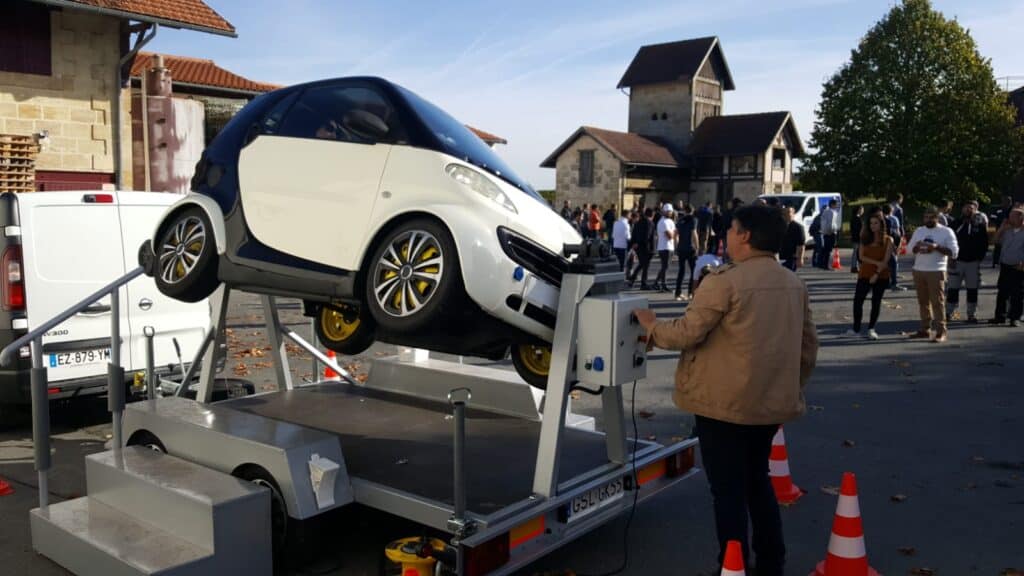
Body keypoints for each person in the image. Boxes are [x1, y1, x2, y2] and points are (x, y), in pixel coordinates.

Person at [633, 204, 818, 575]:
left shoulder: (724, 281)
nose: (727, 236)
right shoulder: (792, 283)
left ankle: (732, 566)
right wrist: (788, 387)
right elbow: (808, 347)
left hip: (723, 406)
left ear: (745, 235)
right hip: (769, 405)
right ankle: (771, 562)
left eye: (731, 229)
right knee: (757, 481)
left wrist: (651, 326)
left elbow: (687, 333)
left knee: (728, 491)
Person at [908, 206, 959, 342]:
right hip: (919, 270)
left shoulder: (946, 231)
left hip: (936, 271)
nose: (928, 220)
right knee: (923, 302)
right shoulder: (919, 231)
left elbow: (954, 252)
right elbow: (908, 249)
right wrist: (917, 247)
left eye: (931, 217)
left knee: (937, 302)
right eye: (926, 217)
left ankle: (941, 331)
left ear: (937, 218)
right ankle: (925, 329)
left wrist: (936, 247)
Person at [846, 212, 894, 340]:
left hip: (881, 274)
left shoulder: (888, 240)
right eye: (871, 223)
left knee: (876, 301)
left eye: (876, 223)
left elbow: (886, 260)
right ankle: (856, 329)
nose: (873, 226)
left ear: (881, 224)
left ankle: (871, 328)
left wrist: (876, 273)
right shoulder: (864, 238)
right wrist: (876, 263)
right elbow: (861, 256)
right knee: (858, 300)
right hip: (865, 273)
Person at [946, 201, 989, 323]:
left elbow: (984, 244)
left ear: (975, 210)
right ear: (962, 209)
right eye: (966, 208)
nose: (968, 210)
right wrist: (950, 258)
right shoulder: (955, 224)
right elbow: (947, 241)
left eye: (971, 208)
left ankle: (971, 314)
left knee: (972, 289)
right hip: (956, 262)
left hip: (973, 263)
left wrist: (979, 258)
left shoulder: (979, 226)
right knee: (953, 289)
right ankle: (949, 312)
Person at [989, 207, 1024, 327]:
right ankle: (1000, 316)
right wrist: (1001, 229)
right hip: (1005, 265)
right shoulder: (1007, 230)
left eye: (1012, 216)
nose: (1009, 218)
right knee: (1002, 291)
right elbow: (994, 241)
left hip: (1019, 266)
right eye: (1010, 216)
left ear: (1021, 218)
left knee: (1017, 293)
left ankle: (1015, 317)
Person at [674, 204, 699, 301]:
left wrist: (676, 246)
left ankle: (678, 293)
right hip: (690, 248)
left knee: (681, 271)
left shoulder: (680, 220)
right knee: (693, 271)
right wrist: (697, 246)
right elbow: (694, 233)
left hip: (681, 248)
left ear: (684, 210)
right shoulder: (693, 219)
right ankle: (690, 293)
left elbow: (675, 235)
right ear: (692, 211)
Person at [627, 208, 655, 289]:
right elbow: (647, 235)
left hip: (638, 247)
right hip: (646, 247)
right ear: (652, 215)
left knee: (642, 264)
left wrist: (633, 244)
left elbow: (634, 234)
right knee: (645, 266)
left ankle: (632, 279)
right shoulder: (650, 223)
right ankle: (643, 283)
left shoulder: (638, 222)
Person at [653, 204, 677, 292]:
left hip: (669, 247)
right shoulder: (663, 222)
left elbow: (674, 233)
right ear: (665, 212)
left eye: (671, 211)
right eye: (669, 211)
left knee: (665, 266)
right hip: (664, 247)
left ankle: (656, 283)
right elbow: (670, 236)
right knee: (665, 267)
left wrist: (674, 233)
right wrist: (674, 233)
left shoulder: (670, 221)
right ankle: (663, 285)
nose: (670, 213)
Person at [882, 204, 905, 290]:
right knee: (893, 263)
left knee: (885, 263)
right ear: (891, 211)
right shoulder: (893, 219)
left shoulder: (879, 219)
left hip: (881, 243)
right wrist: (898, 244)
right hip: (890, 242)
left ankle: (885, 281)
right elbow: (897, 232)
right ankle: (894, 282)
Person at [778, 206, 807, 271]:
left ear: (793, 214)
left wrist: (800, 258)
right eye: (784, 213)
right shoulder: (779, 226)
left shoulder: (798, 227)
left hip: (791, 258)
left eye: (788, 212)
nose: (785, 215)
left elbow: (801, 245)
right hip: (779, 257)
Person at [991, 196, 1014, 268]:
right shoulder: (998, 209)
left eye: (1008, 201)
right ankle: (995, 261)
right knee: (998, 246)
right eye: (1005, 201)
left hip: (1010, 230)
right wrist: (999, 221)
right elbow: (992, 217)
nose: (1006, 203)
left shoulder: (1013, 209)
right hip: (999, 229)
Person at [818, 199, 841, 269]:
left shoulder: (825, 211)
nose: (837, 206)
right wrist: (833, 230)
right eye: (836, 204)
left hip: (825, 232)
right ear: (832, 204)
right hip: (831, 233)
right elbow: (831, 223)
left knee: (825, 249)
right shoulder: (832, 212)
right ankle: (825, 265)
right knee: (828, 250)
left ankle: (821, 263)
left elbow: (823, 222)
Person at [850, 205, 864, 274]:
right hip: (857, 238)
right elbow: (858, 230)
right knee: (856, 253)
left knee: (856, 252)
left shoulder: (854, 218)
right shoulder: (857, 219)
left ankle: (855, 266)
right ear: (859, 210)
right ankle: (854, 267)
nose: (863, 211)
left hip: (855, 237)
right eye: (862, 209)